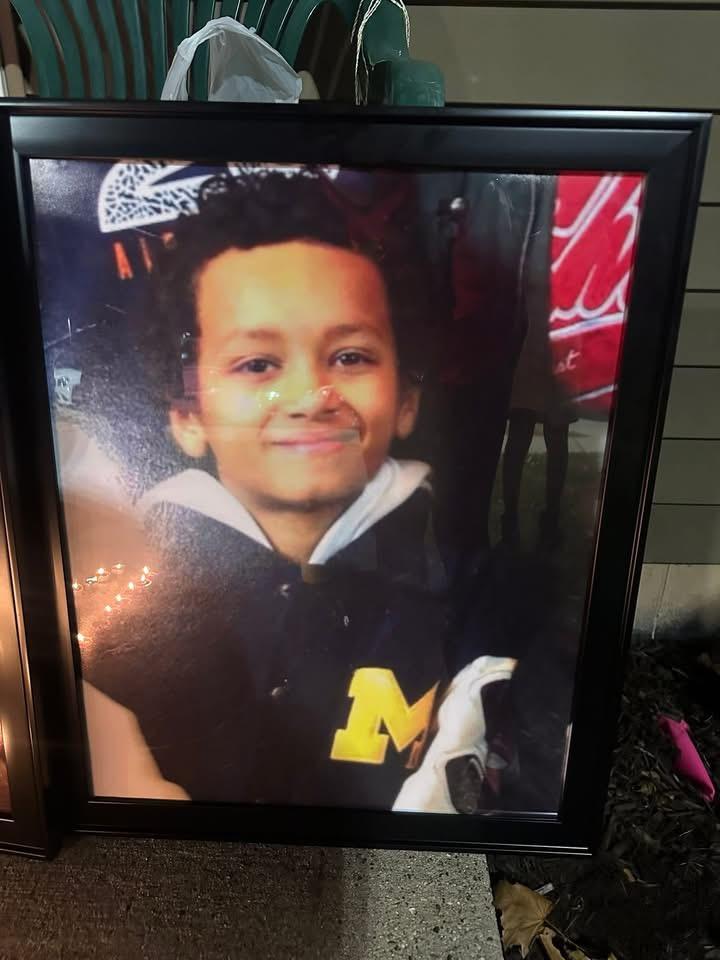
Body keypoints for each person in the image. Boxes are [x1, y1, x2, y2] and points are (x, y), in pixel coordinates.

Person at [80, 170, 515, 811]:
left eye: (350, 356)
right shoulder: (122, 611)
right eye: (257, 364)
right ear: (188, 414)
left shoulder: (471, 596)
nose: (311, 396)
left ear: (406, 398)